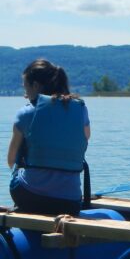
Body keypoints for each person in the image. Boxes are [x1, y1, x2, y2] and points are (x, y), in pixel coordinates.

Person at [7, 59, 90, 215]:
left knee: (18, 166)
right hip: (71, 202)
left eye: (26, 88)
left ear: (36, 86)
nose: (25, 95)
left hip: (31, 198)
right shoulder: (80, 109)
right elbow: (86, 137)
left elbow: (11, 160)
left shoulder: (25, 113)